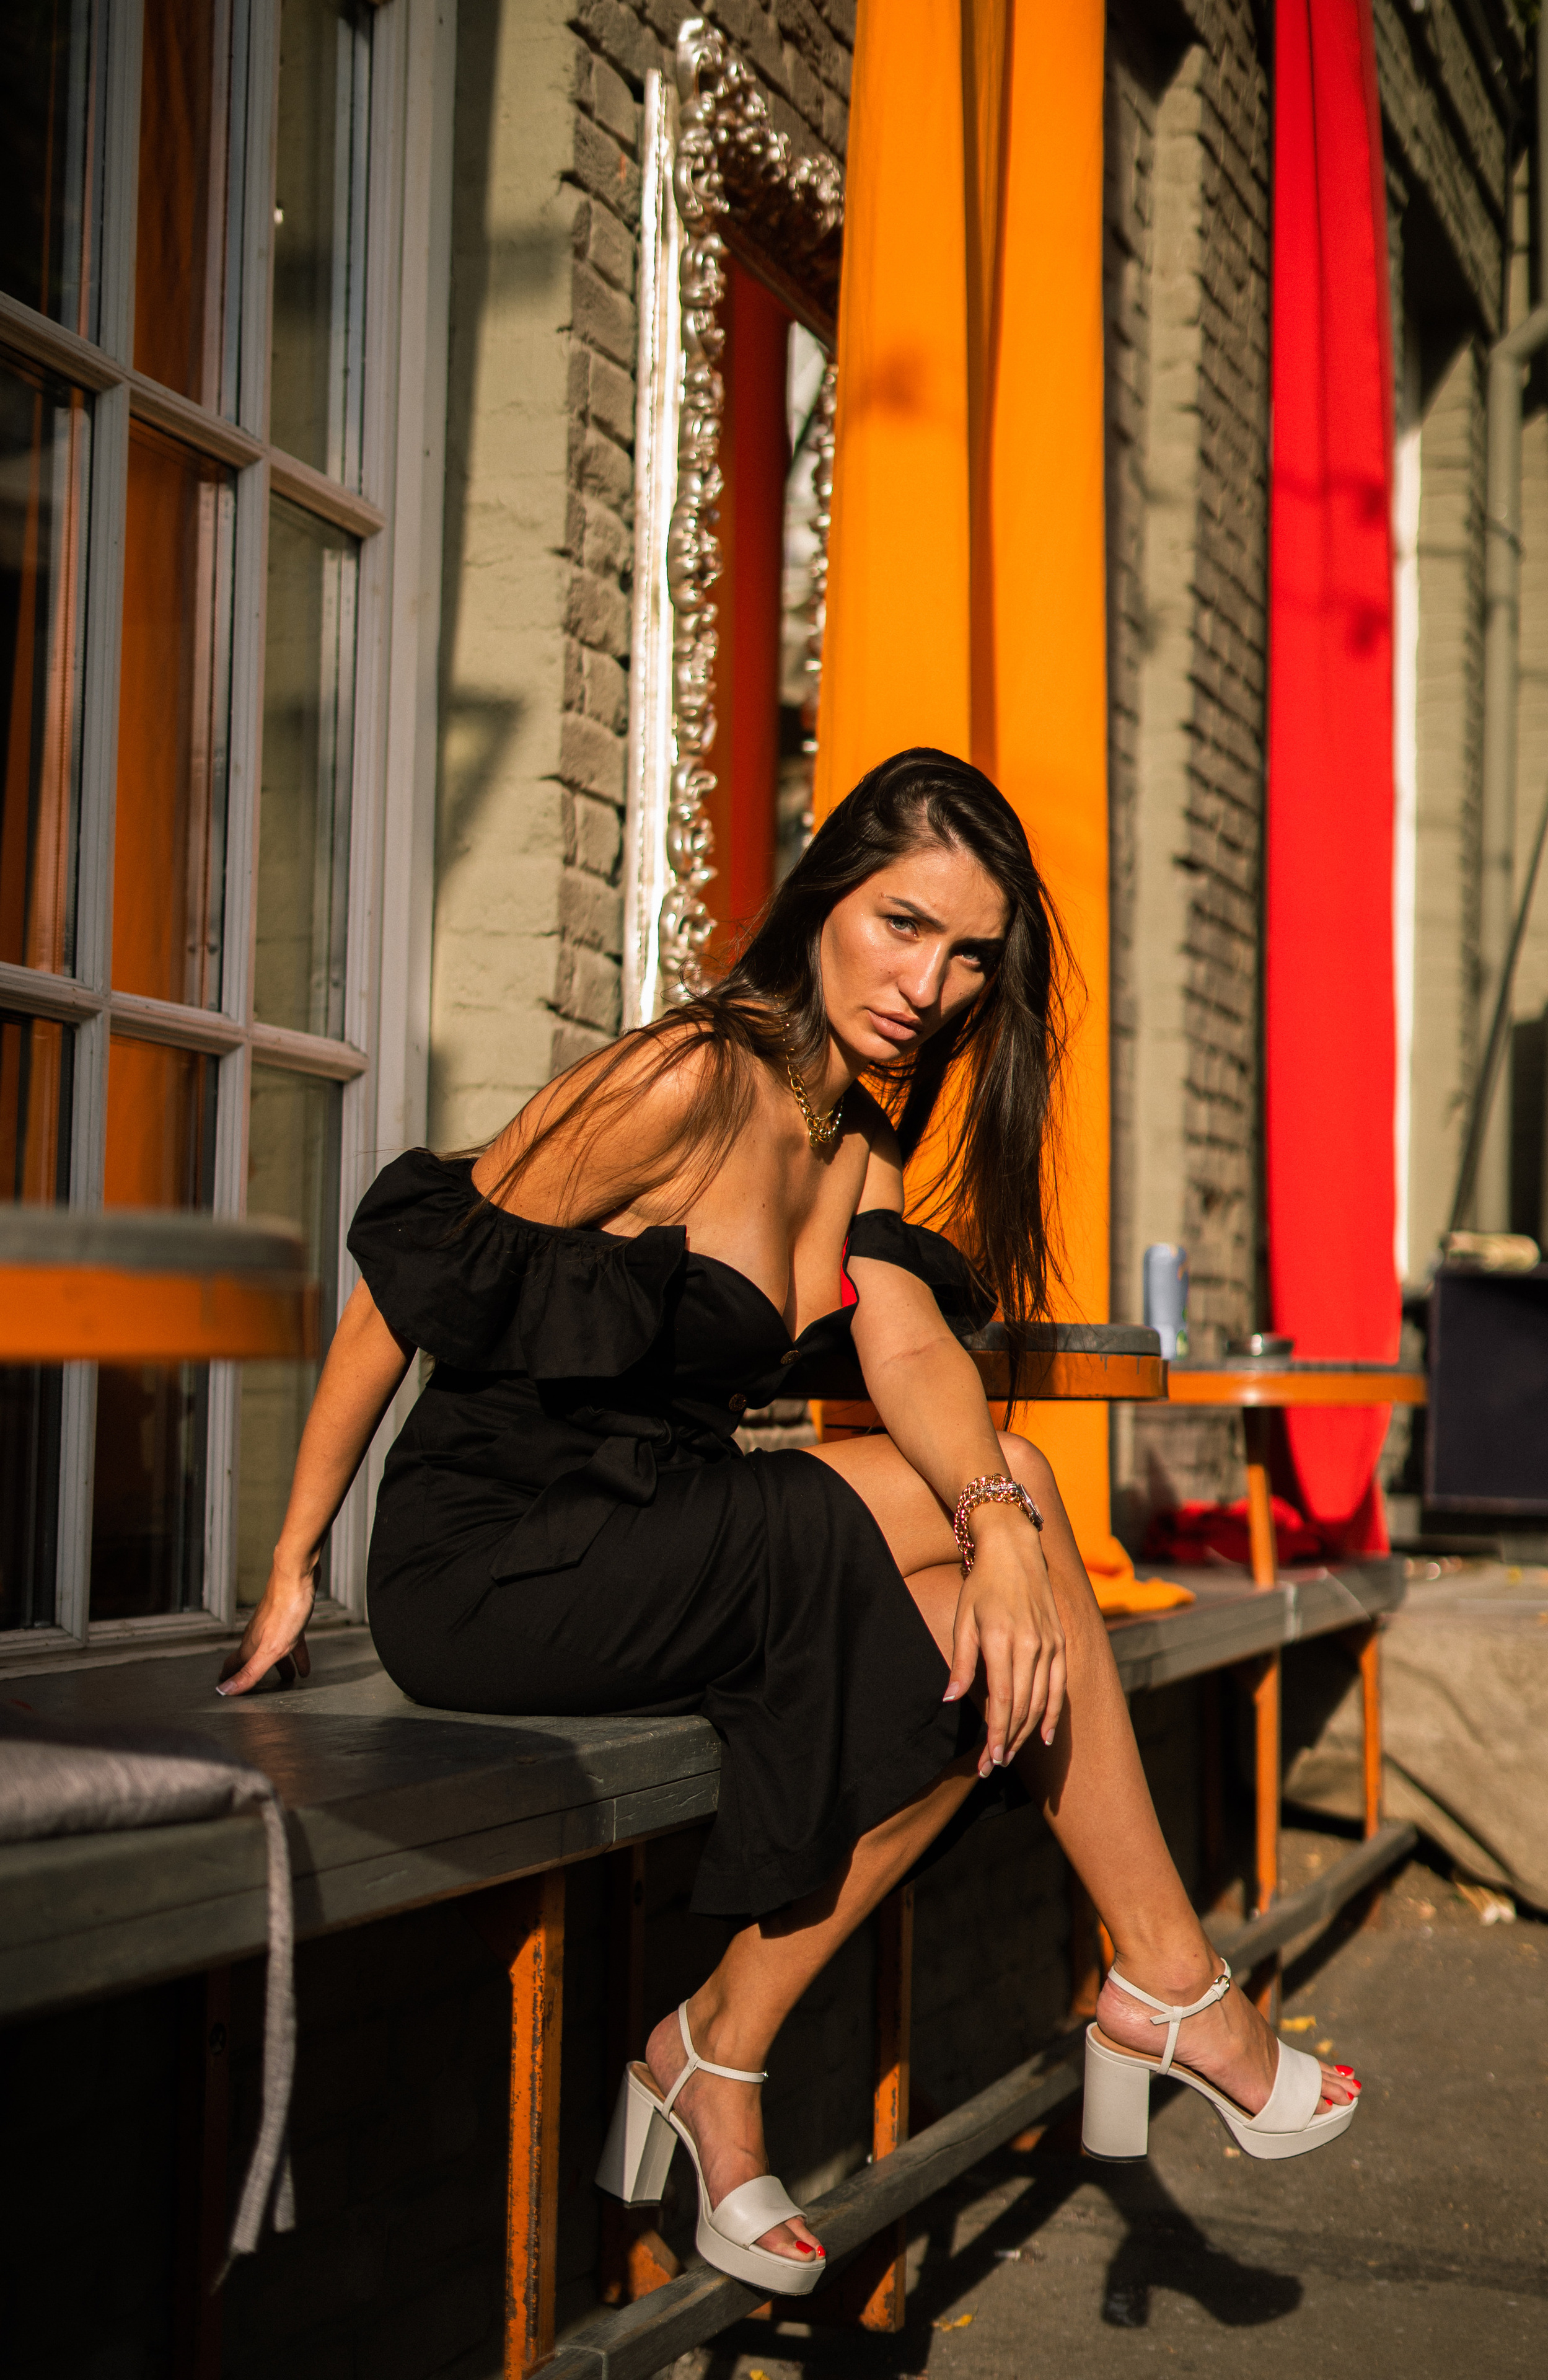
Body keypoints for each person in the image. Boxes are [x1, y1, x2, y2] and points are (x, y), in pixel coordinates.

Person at [220, 748, 1361, 2293]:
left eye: (966, 957)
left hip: (662, 1534)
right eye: (900, 926)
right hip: (499, 1556)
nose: (928, 983)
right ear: (823, 895)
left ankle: (720, 2047)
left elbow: (904, 1351)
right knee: (998, 1523)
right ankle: (1166, 1984)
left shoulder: (859, 1134)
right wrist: (294, 1561)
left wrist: (1009, 1533)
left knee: (984, 1642)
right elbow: (397, 1295)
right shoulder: (685, 1076)